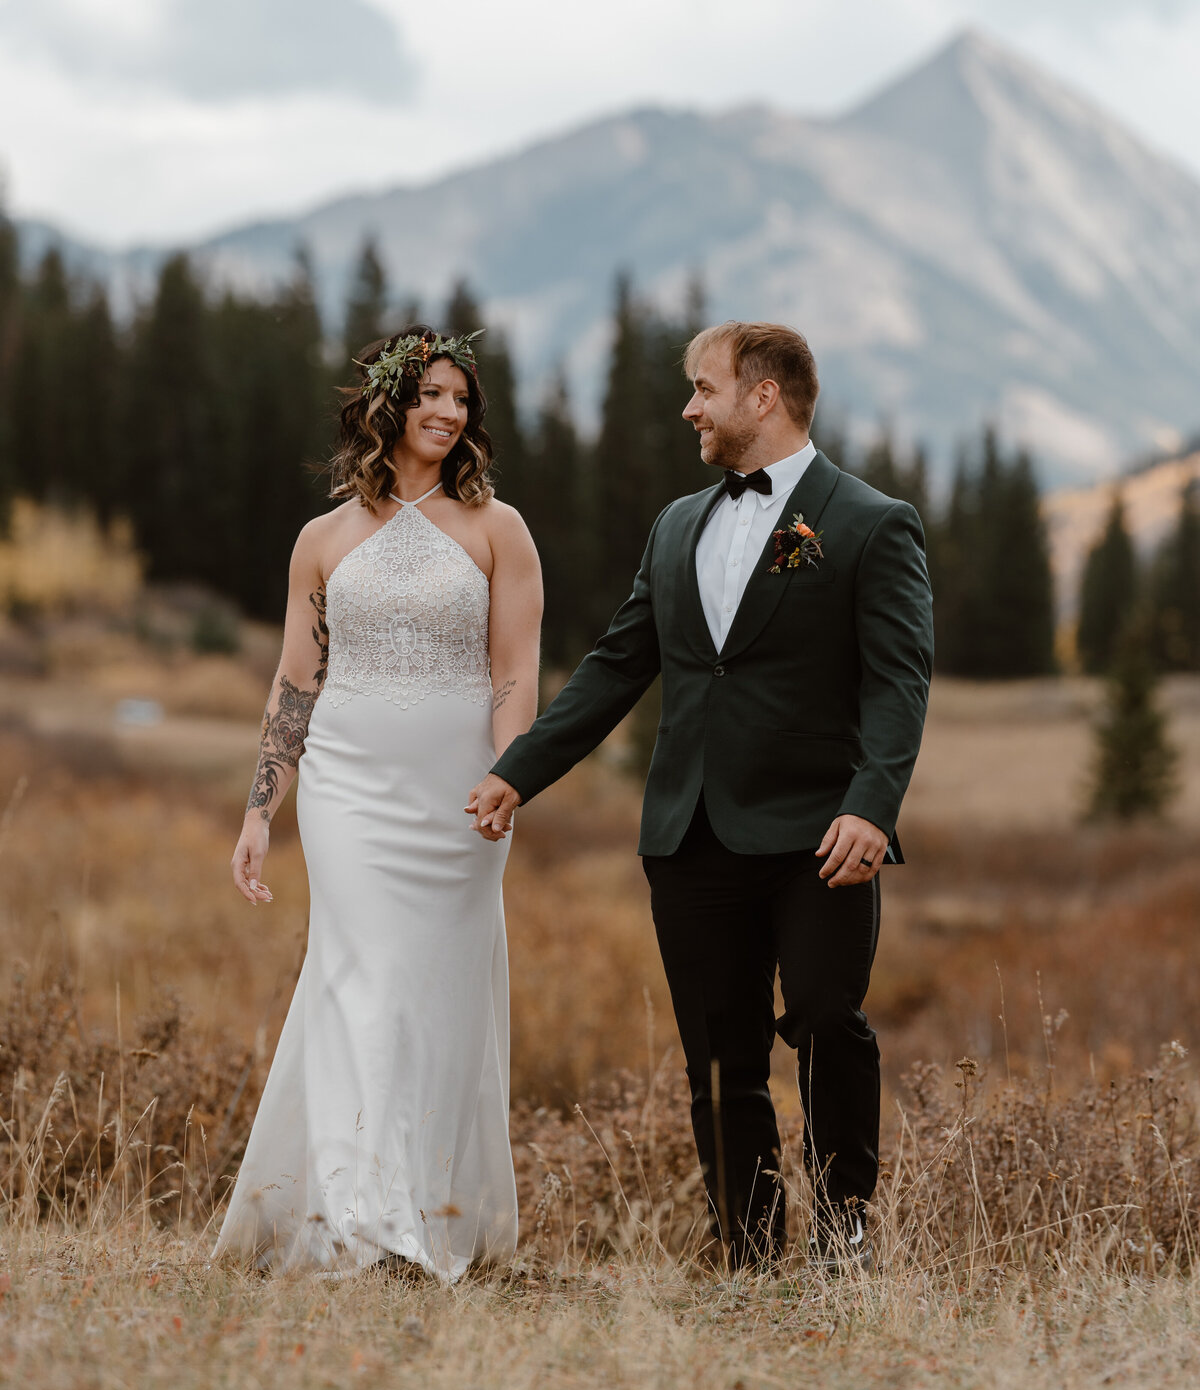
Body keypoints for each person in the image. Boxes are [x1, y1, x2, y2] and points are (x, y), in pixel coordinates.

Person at [468, 321, 932, 1270]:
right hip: (691, 834)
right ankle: (749, 1256)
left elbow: (900, 681)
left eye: (704, 389)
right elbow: (616, 665)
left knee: (826, 1022)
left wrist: (873, 804)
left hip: (821, 834)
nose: (689, 408)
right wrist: (520, 769)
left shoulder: (871, 522)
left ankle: (845, 1249)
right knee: (719, 1061)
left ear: (764, 397)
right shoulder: (677, 524)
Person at [216, 327, 543, 1279]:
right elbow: (293, 682)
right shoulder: (322, 540)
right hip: (348, 789)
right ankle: (362, 1220)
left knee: (435, 997)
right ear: (387, 405)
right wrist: (257, 812)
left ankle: (431, 1209)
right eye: (430, 395)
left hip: (459, 798)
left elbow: (515, 672)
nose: (447, 413)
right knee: (358, 981)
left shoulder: (497, 528)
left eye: (461, 400)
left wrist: (508, 773)